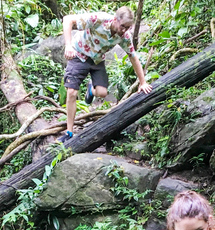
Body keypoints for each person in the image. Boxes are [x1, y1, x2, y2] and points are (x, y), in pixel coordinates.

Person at [58, 7, 153, 143]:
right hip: (79, 54)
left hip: (97, 60)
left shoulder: (124, 37)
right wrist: (68, 45)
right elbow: (68, 20)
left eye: (128, 27)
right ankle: (69, 132)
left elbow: (133, 57)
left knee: (102, 93)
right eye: (123, 26)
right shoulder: (99, 19)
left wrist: (143, 82)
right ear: (115, 19)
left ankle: (91, 89)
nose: (124, 30)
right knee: (72, 92)